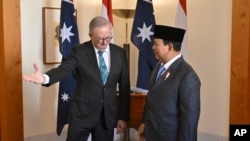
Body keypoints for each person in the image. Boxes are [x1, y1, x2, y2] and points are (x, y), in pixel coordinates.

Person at [23, 16, 131, 141]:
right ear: (90, 35)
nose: (105, 42)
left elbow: (124, 87)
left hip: (106, 117)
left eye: (108, 37)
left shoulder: (120, 53)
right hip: (81, 115)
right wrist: (45, 78)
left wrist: (123, 117)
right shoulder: (80, 51)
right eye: (100, 39)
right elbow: (64, 69)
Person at [138, 25, 201, 141]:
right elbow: (151, 98)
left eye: (156, 44)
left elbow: (189, 119)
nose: (152, 47)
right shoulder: (158, 67)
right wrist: (144, 122)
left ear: (170, 47)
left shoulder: (188, 76)